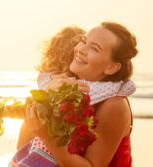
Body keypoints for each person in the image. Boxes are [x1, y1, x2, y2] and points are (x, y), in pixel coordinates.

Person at [11, 22, 137, 167]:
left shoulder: (114, 104)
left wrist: (48, 137)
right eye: (83, 41)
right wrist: (44, 98)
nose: (81, 50)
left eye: (94, 48)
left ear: (111, 67)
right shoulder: (68, 87)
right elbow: (22, 146)